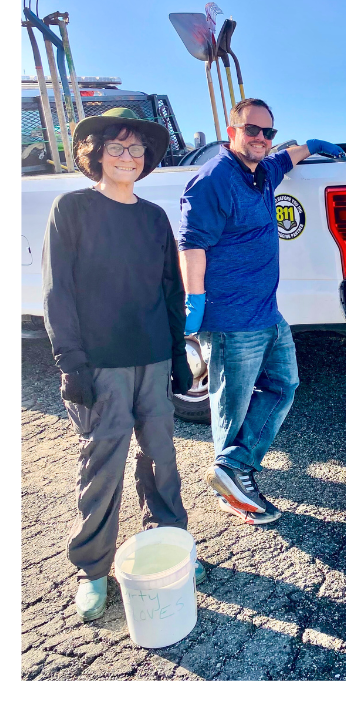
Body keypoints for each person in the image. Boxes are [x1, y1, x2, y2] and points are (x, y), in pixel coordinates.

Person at [42, 109, 201, 621]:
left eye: (136, 150)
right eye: (117, 148)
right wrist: (72, 364)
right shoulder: (71, 208)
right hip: (101, 363)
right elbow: (57, 294)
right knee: (102, 464)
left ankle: (172, 540)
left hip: (152, 357)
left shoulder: (153, 217)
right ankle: (92, 569)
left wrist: (179, 357)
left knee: (161, 457)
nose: (127, 157)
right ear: (97, 154)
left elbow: (170, 291)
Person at [179, 98, 345, 523]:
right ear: (231, 131)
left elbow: (283, 160)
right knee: (232, 403)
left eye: (268, 132)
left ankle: (231, 469)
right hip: (231, 317)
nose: (261, 139)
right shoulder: (213, 179)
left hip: (267, 312)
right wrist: (193, 301)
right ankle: (233, 484)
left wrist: (309, 145)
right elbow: (192, 244)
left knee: (284, 384)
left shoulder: (260, 171)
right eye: (251, 130)